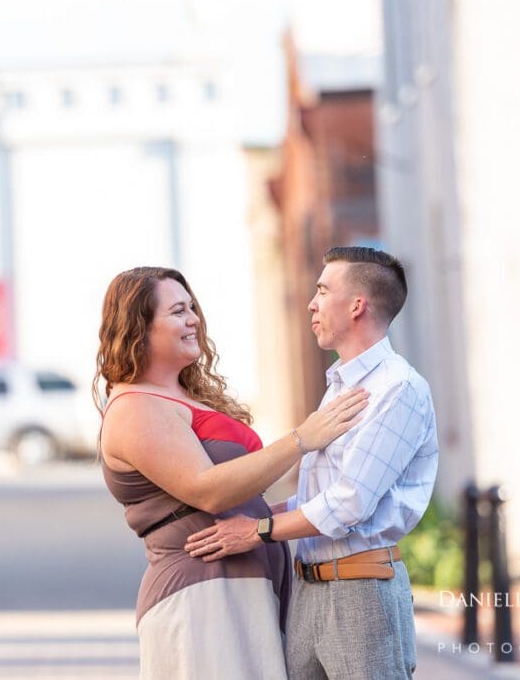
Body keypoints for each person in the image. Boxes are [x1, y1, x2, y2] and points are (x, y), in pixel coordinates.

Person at [96, 266, 369, 680]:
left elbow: (239, 493)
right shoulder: (135, 407)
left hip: (241, 588)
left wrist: (284, 516)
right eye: (177, 312)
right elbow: (206, 491)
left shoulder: (182, 397)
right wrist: (303, 438)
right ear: (139, 327)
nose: (193, 320)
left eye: (192, 308)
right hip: (202, 595)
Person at [185, 247, 439, 679]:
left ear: (357, 305)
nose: (312, 303)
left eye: (323, 290)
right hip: (309, 588)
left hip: (360, 590)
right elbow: (316, 497)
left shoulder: (398, 388)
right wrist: (252, 515)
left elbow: (348, 503)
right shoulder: (341, 385)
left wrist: (256, 531)